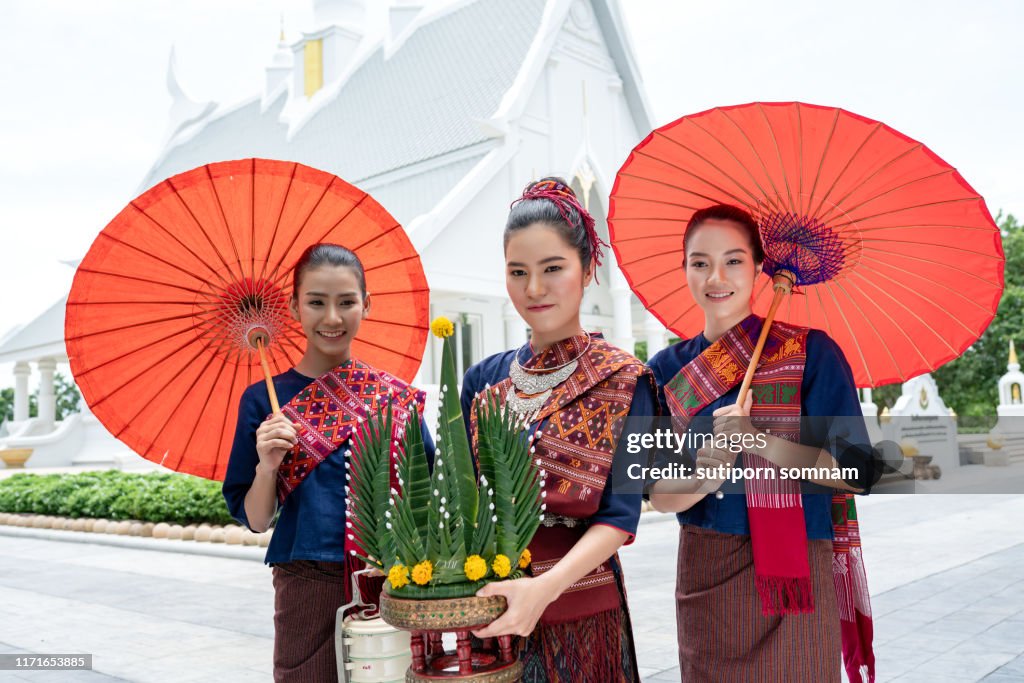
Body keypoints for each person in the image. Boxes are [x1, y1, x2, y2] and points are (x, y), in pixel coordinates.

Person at [646, 204, 876, 682]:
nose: (716, 276)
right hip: (708, 574)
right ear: (684, 268)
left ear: (758, 268)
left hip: (798, 578)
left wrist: (760, 442)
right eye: (700, 262)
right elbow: (659, 495)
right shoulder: (663, 371)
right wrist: (709, 471)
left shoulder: (813, 352)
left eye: (733, 260)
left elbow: (858, 473)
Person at [459, 178, 657, 682]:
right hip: (489, 606)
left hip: (581, 613)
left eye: (553, 269)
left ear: (588, 270)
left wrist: (541, 592)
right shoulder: (483, 380)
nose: (534, 289)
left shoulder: (624, 378)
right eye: (518, 272)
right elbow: (459, 495)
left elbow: (620, 515)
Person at [222, 243, 434, 683]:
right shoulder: (264, 400)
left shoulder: (393, 397)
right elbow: (257, 521)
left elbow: (428, 498)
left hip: (391, 578)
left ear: (366, 305)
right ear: (295, 308)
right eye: (316, 302)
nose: (332, 318)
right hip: (307, 582)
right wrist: (266, 466)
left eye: (346, 302)